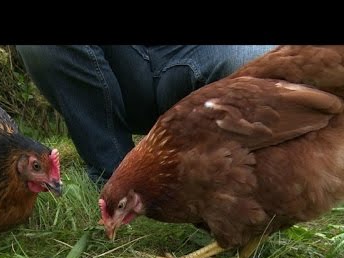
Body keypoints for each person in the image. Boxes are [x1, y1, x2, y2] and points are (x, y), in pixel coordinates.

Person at [16, 45, 276, 184]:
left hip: (209, 53)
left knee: (267, 58)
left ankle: (231, 185)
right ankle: (115, 178)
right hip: (125, 63)